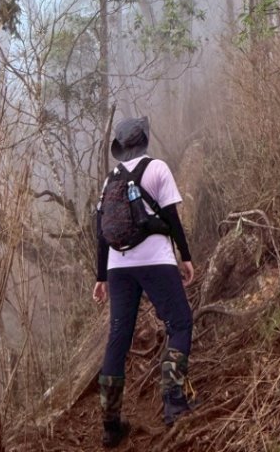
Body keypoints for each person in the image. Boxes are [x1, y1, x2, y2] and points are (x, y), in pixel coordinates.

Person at [93, 116, 195, 448]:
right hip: (155, 261)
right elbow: (171, 217)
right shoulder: (157, 169)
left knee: (118, 338)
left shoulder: (110, 180)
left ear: (121, 148)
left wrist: (100, 276)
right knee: (179, 323)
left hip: (117, 267)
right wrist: (186, 256)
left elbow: (100, 232)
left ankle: (110, 424)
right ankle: (173, 404)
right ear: (144, 141)